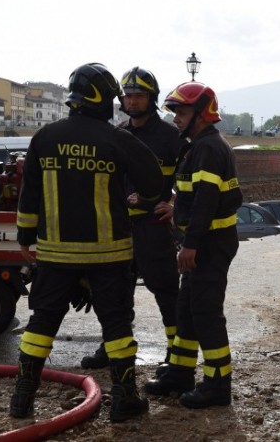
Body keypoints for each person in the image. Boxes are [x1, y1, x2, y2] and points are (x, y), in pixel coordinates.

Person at [10, 63, 163, 422]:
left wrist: (25, 238)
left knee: (42, 322)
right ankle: (124, 400)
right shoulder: (117, 139)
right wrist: (138, 198)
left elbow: (29, 197)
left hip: (55, 254)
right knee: (117, 325)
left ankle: (21, 400)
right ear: (103, 99)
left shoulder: (44, 138)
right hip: (109, 255)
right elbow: (154, 184)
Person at [80, 67, 186, 375]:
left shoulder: (171, 136)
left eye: (139, 95)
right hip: (118, 229)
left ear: (151, 98)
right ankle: (113, 347)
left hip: (153, 228)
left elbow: (189, 179)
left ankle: (175, 353)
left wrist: (174, 205)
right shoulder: (117, 134)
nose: (132, 101)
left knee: (166, 291)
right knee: (114, 293)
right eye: (127, 96)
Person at [144, 81, 243, 409]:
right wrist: (177, 213)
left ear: (201, 114)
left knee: (205, 313)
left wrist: (191, 245)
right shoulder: (200, 146)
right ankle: (180, 373)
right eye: (174, 112)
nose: (175, 118)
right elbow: (195, 198)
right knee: (186, 310)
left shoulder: (208, 149)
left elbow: (206, 201)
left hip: (209, 245)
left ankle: (217, 385)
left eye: (182, 112)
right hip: (204, 242)